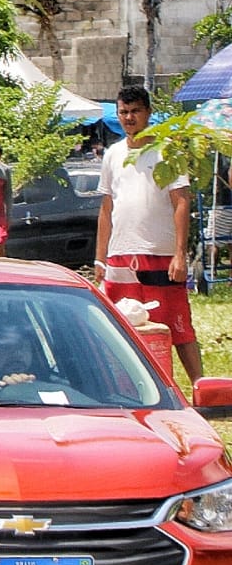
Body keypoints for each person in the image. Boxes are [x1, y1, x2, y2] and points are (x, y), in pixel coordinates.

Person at [97, 85, 202, 383]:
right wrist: (100, 258)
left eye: (135, 111)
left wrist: (180, 254)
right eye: (124, 112)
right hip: (120, 257)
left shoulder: (167, 151)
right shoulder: (113, 154)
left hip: (159, 254)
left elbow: (181, 201)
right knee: (122, 329)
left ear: (148, 113)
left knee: (178, 327)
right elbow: (106, 208)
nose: (129, 118)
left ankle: (201, 388)